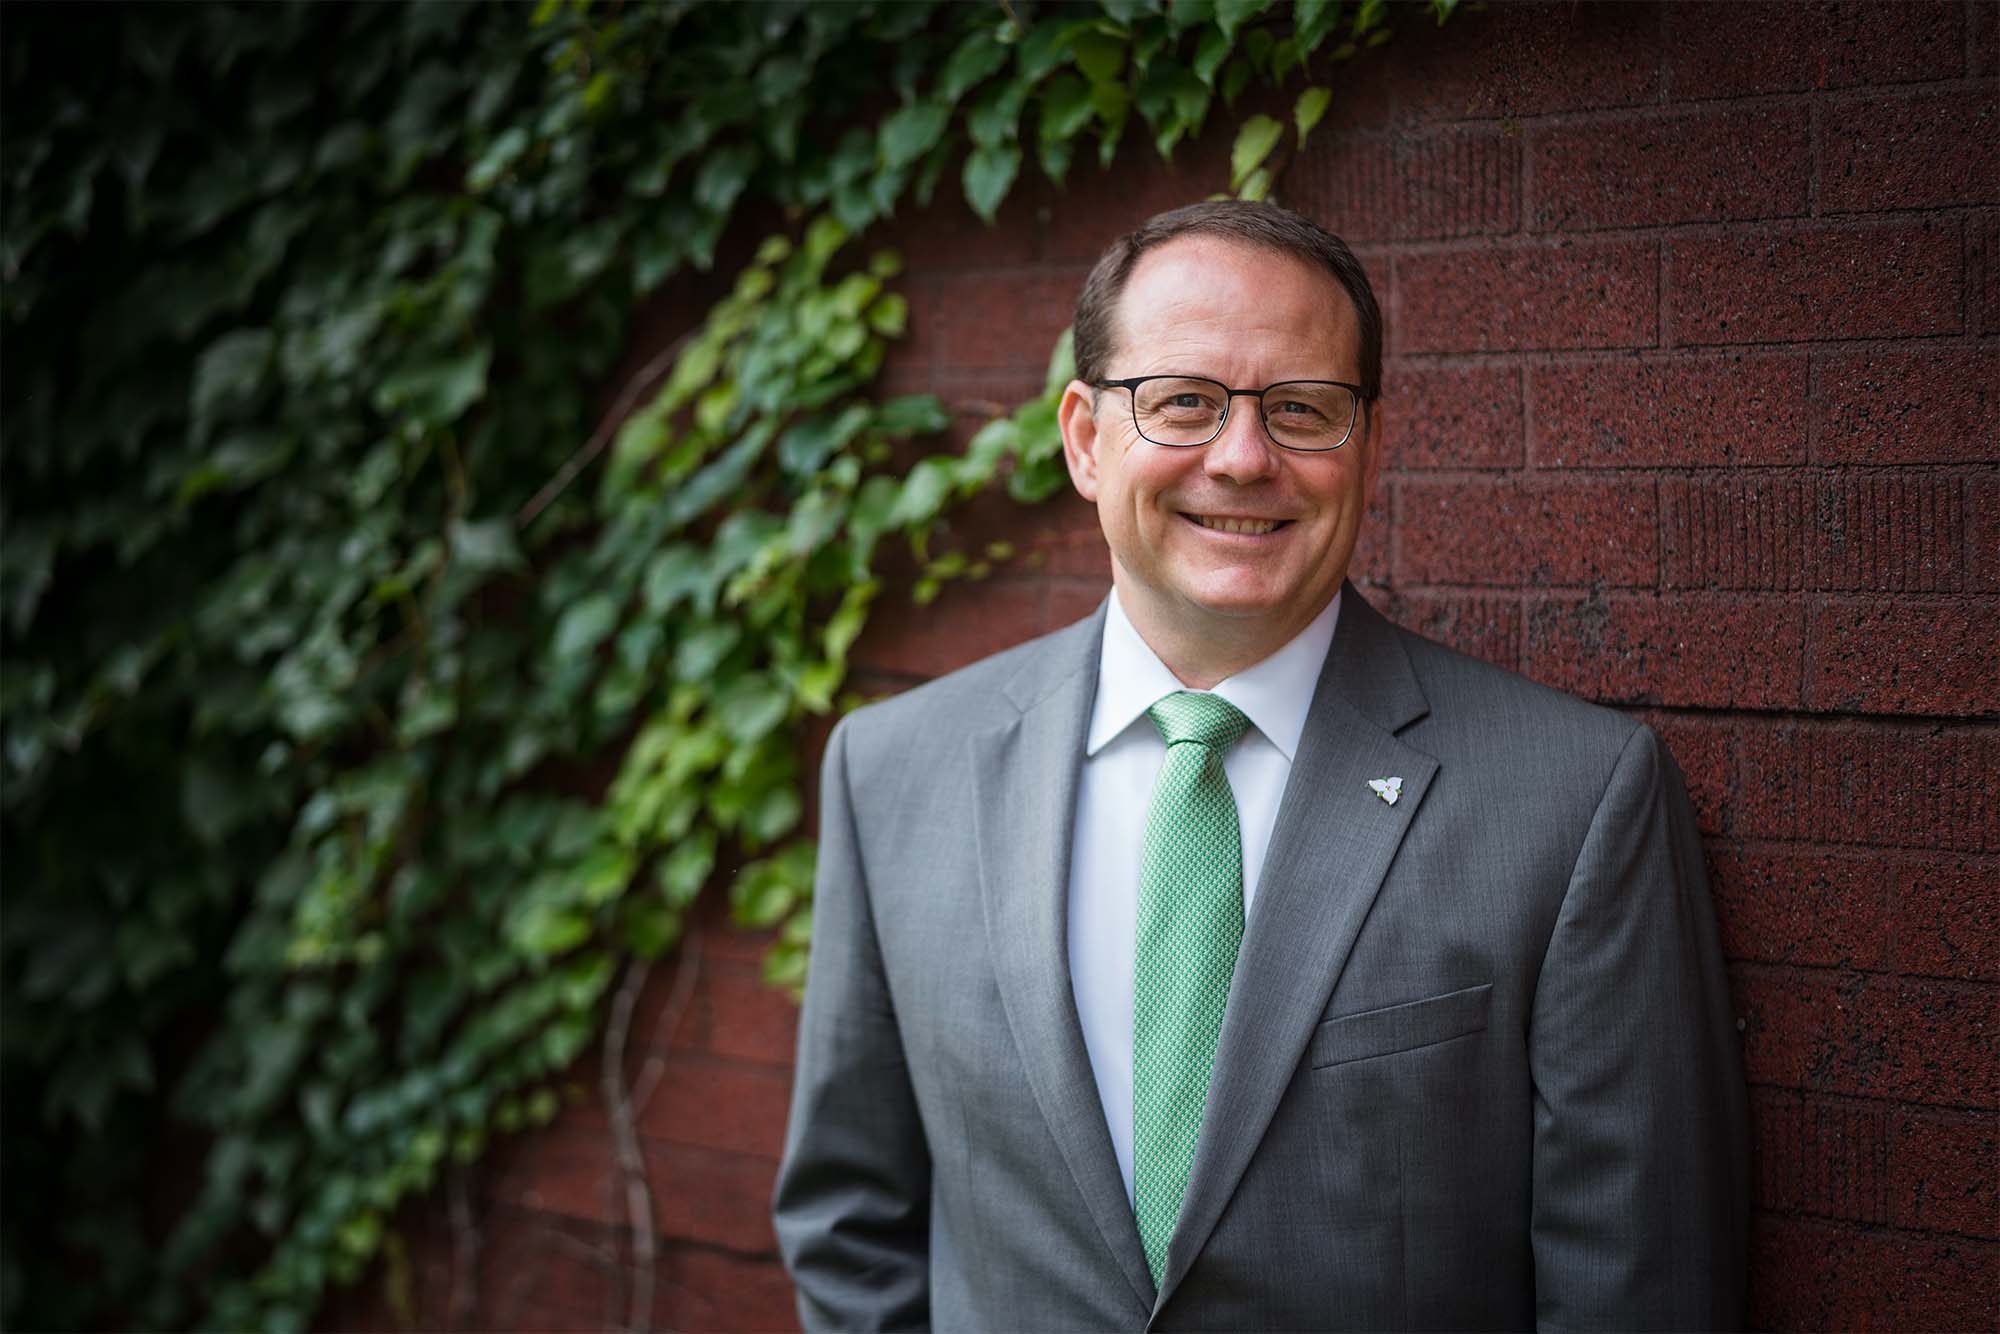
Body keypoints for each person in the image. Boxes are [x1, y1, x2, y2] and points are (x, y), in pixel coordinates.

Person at [772, 200, 1749, 1331]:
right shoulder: (892, 769)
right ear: (1085, 439)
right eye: (1182, 400)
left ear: (1369, 448)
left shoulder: (1575, 798)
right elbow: (851, 1228)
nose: (1242, 458)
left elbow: (1638, 1292)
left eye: (1301, 409)